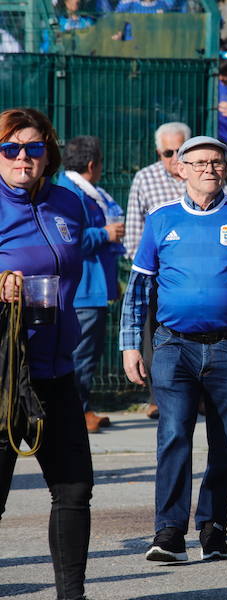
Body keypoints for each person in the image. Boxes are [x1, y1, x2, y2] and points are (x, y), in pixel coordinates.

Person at [120, 135, 227, 562]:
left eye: (217, 162)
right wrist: (130, 346)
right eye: (199, 162)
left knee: (225, 444)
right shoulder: (161, 219)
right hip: (174, 347)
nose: (209, 169)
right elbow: (137, 290)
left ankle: (214, 527)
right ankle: (169, 532)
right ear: (180, 168)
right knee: (174, 435)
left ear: (225, 169)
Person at [0, 107, 93, 600]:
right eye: (10, 148)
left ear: (48, 154)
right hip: (3, 377)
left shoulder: (67, 204)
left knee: (74, 490)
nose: (22, 157)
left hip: (57, 372)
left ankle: (71, 596)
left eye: (33, 148)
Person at [57, 135, 125, 434]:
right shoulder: (71, 193)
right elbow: (69, 241)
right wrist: (105, 234)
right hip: (82, 290)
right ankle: (78, 413)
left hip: (91, 287)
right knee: (80, 356)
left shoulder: (82, 191)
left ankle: (80, 410)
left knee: (82, 355)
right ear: (91, 164)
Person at [124, 121, 190, 419]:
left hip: (196, 276)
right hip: (160, 278)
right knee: (156, 340)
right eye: (168, 152)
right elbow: (134, 235)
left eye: (180, 150)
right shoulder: (145, 179)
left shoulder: (202, 174)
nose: (175, 158)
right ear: (158, 152)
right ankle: (157, 397)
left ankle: (197, 394)